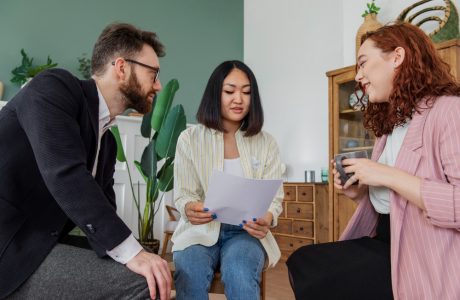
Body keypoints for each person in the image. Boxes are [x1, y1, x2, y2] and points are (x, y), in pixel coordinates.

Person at [287, 22, 460, 300]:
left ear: (397, 57)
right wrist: (359, 194)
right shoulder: (390, 127)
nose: (358, 75)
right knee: (303, 262)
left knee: (316, 273)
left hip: (425, 251)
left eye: (364, 63)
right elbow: (392, 205)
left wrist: (385, 174)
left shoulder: (449, 110)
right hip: (386, 240)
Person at [0, 23, 172, 299]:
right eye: (153, 74)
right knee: (143, 285)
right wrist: (135, 255)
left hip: (38, 243)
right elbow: (65, 174)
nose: (159, 85)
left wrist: (142, 257)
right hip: (10, 249)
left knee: (155, 273)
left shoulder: (107, 143)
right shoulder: (53, 88)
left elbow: (105, 212)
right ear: (121, 67)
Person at [171, 60, 283, 299]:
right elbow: (184, 194)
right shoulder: (189, 138)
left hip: (246, 232)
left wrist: (268, 216)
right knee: (190, 271)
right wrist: (190, 207)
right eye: (230, 91)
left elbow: (274, 198)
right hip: (199, 229)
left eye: (246, 92)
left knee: (239, 272)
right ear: (215, 94)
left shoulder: (267, 143)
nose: (239, 99)